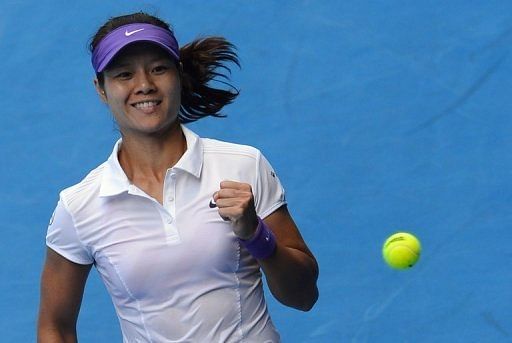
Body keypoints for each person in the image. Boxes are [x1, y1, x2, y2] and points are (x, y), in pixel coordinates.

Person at [37, 11, 319, 343]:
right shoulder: (79, 206)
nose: (144, 85)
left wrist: (255, 234)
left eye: (158, 69)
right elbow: (54, 327)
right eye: (124, 74)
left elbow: (303, 296)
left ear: (178, 75)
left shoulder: (243, 165)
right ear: (101, 89)